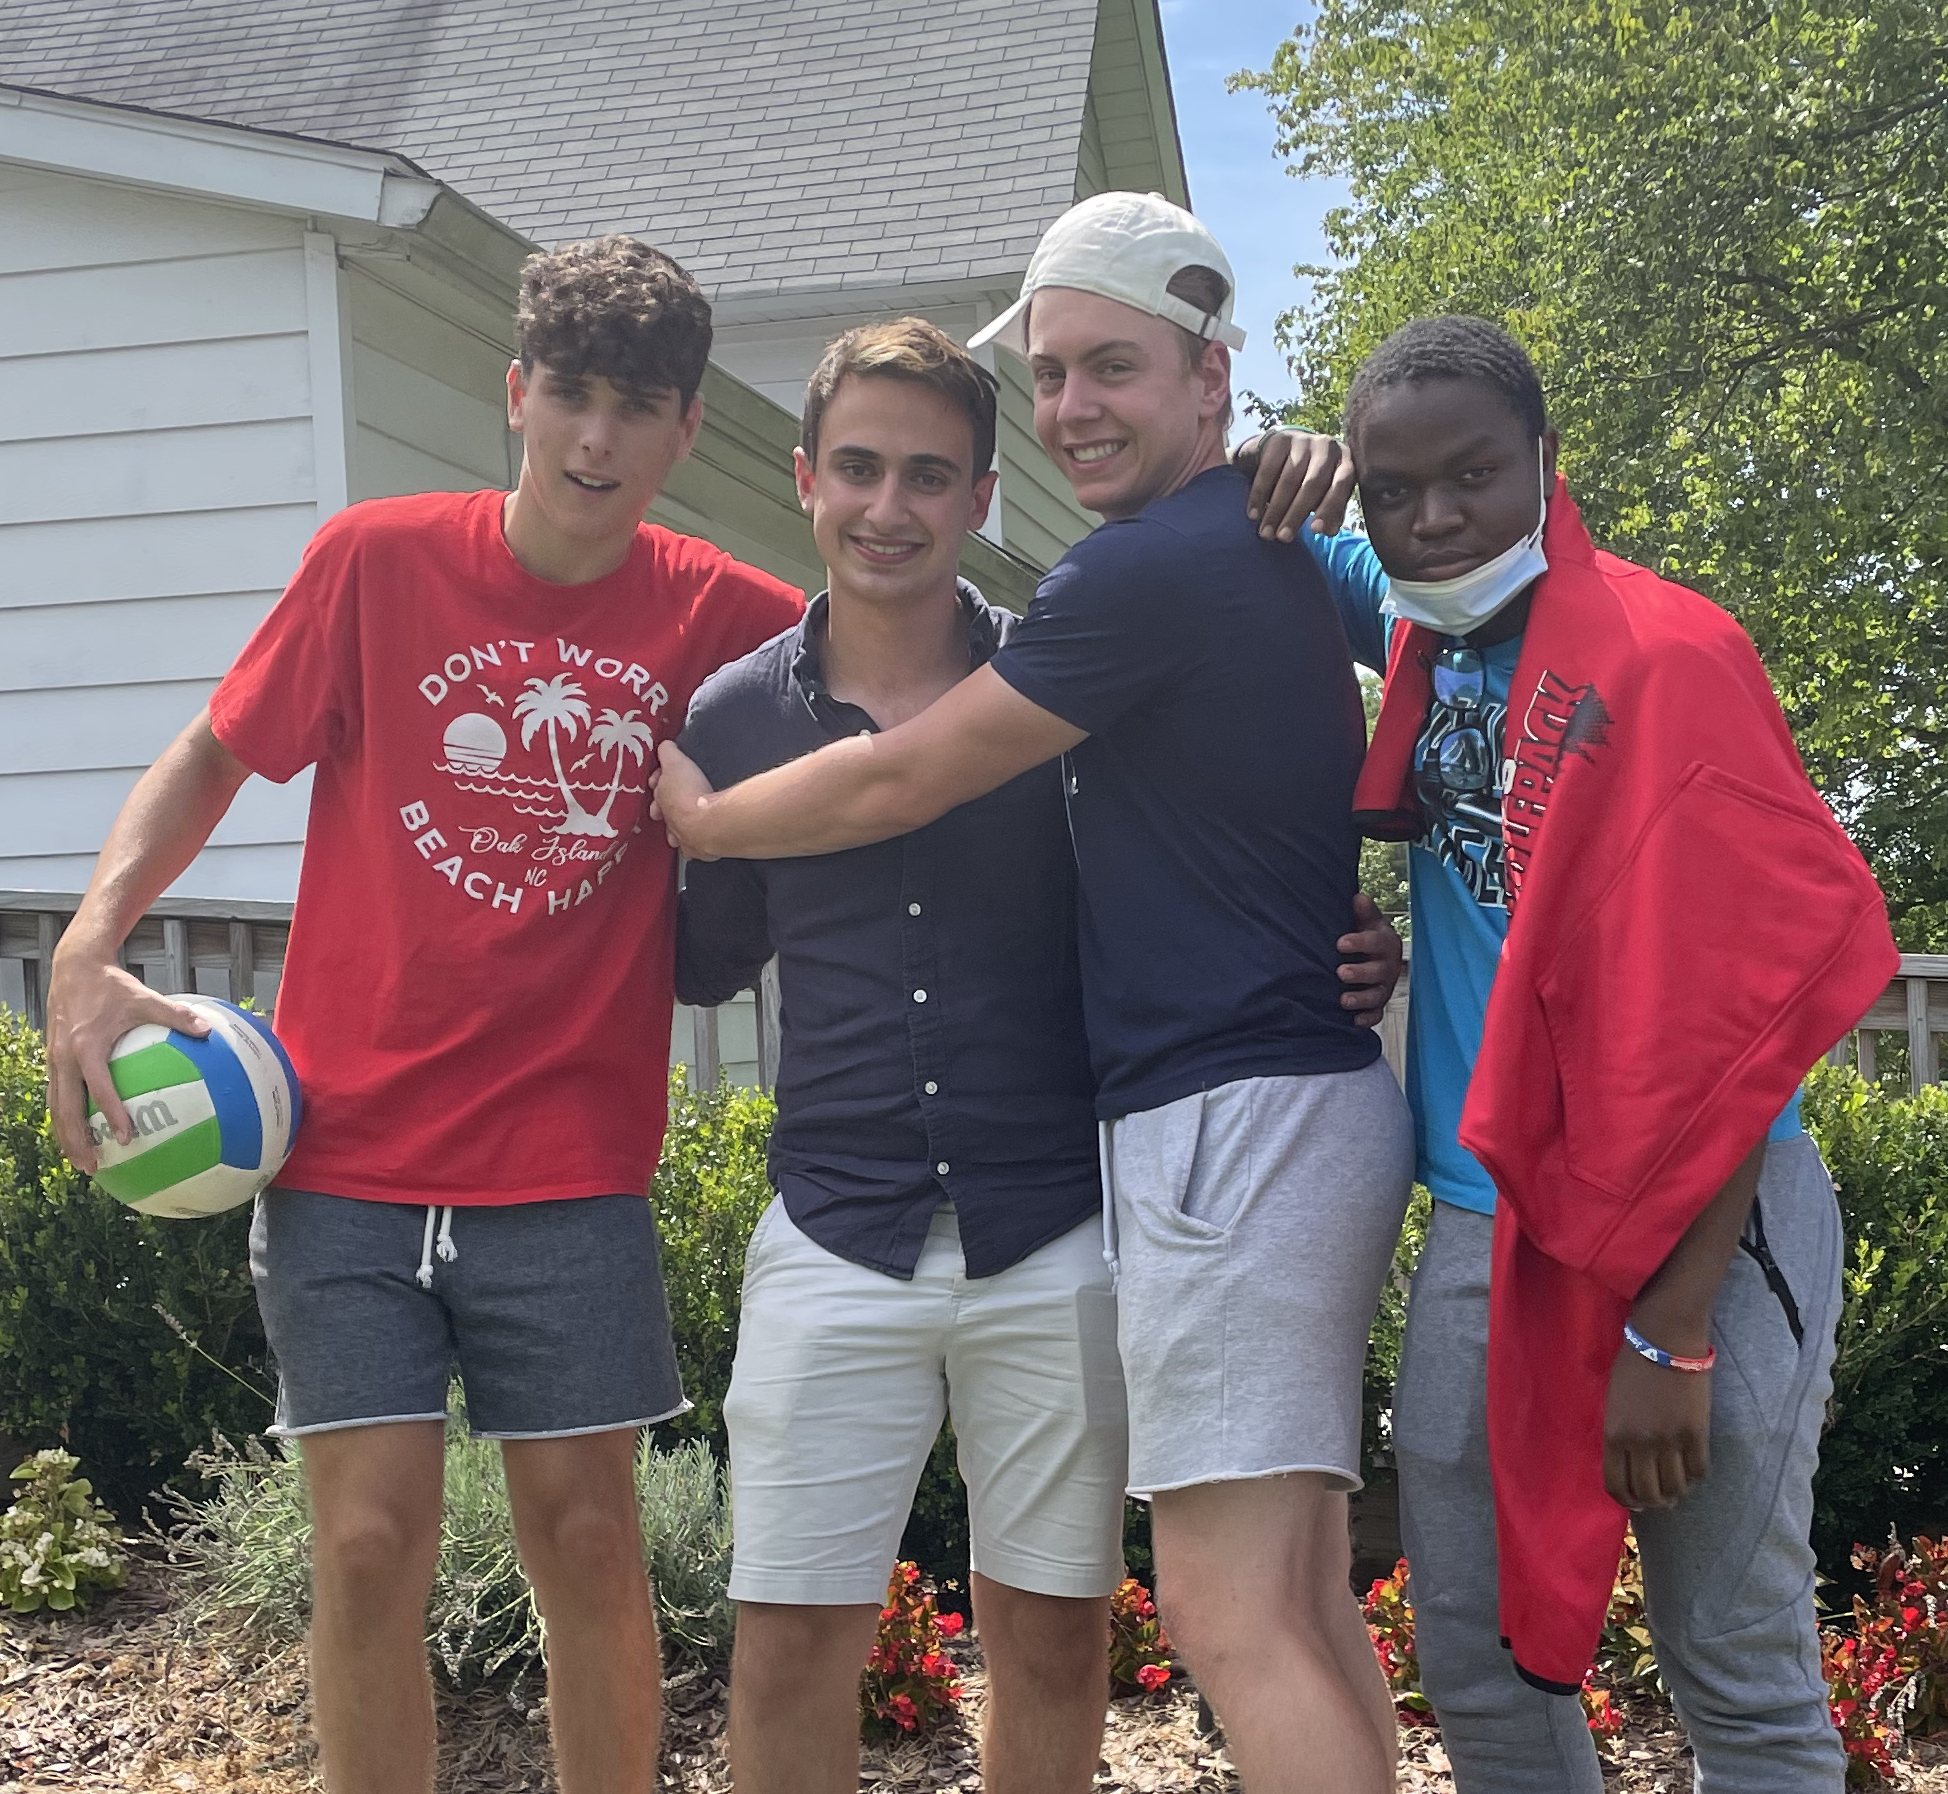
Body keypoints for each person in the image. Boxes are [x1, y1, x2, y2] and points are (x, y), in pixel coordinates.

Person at [653, 193, 1418, 1794]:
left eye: (931, 471)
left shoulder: (1077, 646)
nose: (888, 503)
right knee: (805, 1640)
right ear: (803, 480)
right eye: (856, 466)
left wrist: (1340, 943)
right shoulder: (730, 708)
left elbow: (1114, 822)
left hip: (1075, 1216)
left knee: (1131, 1622)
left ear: (981, 495)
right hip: (842, 1220)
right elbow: (689, 954)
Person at [43, 236, 804, 1794]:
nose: (596, 440)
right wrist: (86, 939)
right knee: (368, 1544)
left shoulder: (733, 616)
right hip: (344, 1153)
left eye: (636, 408)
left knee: (589, 1542)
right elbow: (208, 753)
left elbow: (930, 695)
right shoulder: (375, 561)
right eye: (572, 396)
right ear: (517, 393)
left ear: (682, 430)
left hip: (568, 1164)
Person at [1239, 314, 1898, 1793]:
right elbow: (1278, 520)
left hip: (1704, 1233)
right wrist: (1280, 458)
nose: (1434, 515)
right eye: (1396, 488)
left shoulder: (1672, 657)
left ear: (1546, 462)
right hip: (1486, 1226)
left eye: (1473, 474)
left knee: (1733, 1661)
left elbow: (1741, 1027)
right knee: (1480, 1662)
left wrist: (1673, 1327)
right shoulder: (1420, 619)